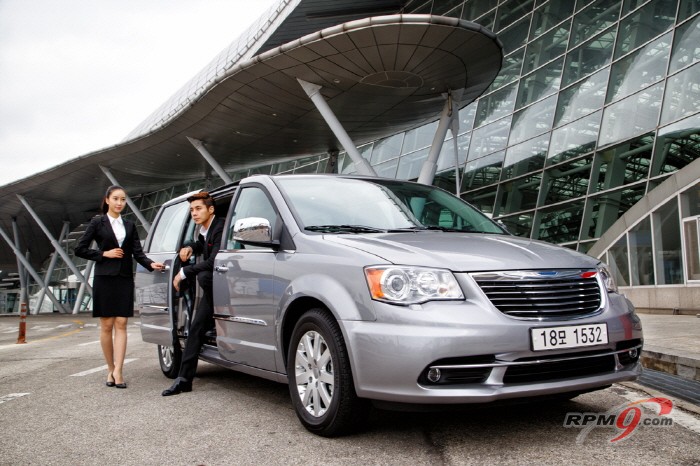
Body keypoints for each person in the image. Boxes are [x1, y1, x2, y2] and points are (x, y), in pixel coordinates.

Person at [75, 185, 164, 388]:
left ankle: (119, 370)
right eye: (115, 198)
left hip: (123, 278)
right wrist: (103, 254)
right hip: (104, 277)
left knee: (121, 323)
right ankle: (109, 368)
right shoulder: (98, 222)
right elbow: (79, 249)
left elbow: (137, 253)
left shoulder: (130, 225)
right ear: (107, 200)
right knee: (106, 325)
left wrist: (151, 264)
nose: (119, 203)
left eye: (123, 199)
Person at [162, 192, 224, 396]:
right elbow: (201, 245)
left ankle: (184, 379)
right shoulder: (204, 230)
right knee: (195, 329)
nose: (194, 213)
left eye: (198, 209)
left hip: (226, 289)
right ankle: (184, 380)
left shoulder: (220, 227)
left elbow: (214, 260)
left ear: (210, 209)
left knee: (204, 275)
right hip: (213, 292)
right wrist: (189, 247)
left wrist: (183, 272)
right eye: (192, 210)